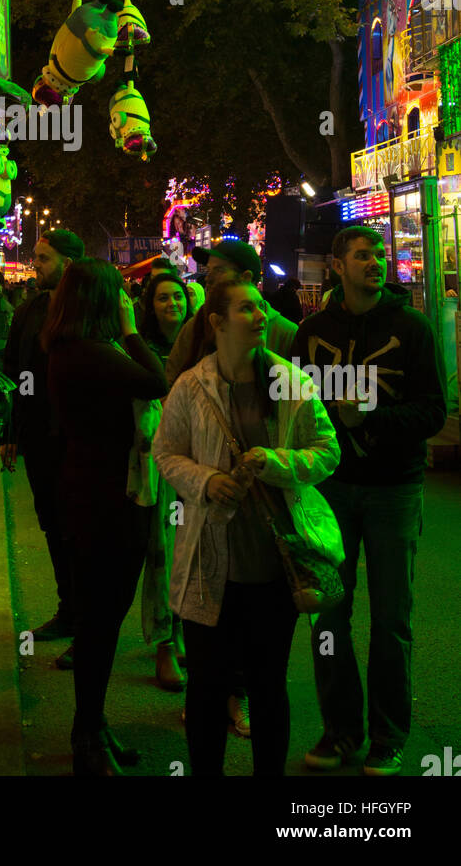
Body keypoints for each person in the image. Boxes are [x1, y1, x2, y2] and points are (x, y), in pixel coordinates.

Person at [152, 275, 342, 777]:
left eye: (261, 307)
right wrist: (205, 481)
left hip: (275, 566)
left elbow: (328, 451)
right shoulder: (192, 387)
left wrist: (277, 461)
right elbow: (165, 453)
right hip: (208, 565)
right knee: (208, 686)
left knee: (267, 685)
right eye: (247, 309)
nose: (261, 316)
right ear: (217, 322)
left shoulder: (290, 382)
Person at [294, 226, 446, 777]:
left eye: (380, 254)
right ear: (337, 265)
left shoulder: (412, 329)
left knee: (391, 619)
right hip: (331, 489)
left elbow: (433, 411)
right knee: (329, 616)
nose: (375, 263)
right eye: (362, 256)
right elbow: (295, 409)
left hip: (393, 491)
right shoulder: (312, 335)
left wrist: (372, 419)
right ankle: (339, 731)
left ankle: (388, 735)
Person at [44, 259, 167, 775]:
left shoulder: (73, 350)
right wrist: (133, 330)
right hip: (106, 503)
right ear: (102, 301)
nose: (126, 300)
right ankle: (87, 735)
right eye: (119, 294)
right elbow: (156, 380)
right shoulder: (92, 353)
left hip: (95, 495)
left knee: (101, 623)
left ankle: (93, 728)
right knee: (100, 623)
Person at [2, 230, 84, 664]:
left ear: (68, 263)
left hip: (78, 441)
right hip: (39, 436)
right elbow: (15, 368)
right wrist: (13, 431)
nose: (36, 264)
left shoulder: (91, 310)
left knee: (79, 531)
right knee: (53, 525)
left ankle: (86, 626)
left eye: (44, 258)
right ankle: (68, 610)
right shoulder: (31, 308)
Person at [137, 270, 192, 691]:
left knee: (201, 555)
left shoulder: (202, 345)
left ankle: (188, 631)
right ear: (149, 306)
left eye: (177, 297)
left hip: (206, 464)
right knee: (165, 554)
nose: (172, 304)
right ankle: (163, 644)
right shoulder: (142, 351)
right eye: (162, 299)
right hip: (164, 466)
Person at [166, 241, 297, 389]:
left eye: (219, 271)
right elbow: (170, 384)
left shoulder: (285, 334)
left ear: (245, 278)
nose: (208, 279)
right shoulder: (196, 326)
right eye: (208, 271)